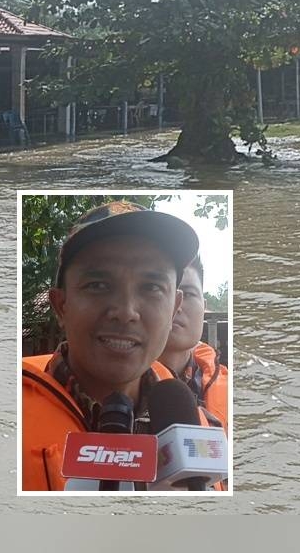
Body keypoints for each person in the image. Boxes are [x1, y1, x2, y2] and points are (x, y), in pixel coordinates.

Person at [21, 200, 201, 491]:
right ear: (61, 306)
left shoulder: (196, 430)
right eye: (98, 285)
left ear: (174, 308)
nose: (126, 312)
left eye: (151, 287)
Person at [159, 256, 229, 430]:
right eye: (162, 291)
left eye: (188, 294)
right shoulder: (115, 385)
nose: (177, 305)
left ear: (204, 307)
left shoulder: (232, 388)